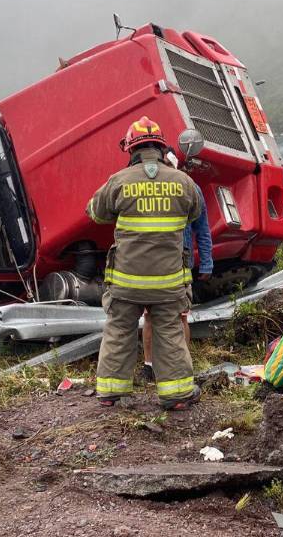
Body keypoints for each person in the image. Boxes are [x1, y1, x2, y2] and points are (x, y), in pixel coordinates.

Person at [87, 116, 203, 411]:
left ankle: (110, 393)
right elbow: (194, 214)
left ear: (131, 149)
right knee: (170, 332)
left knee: (118, 329)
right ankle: (177, 396)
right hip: (168, 282)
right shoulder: (183, 182)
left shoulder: (119, 181)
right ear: (163, 149)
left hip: (126, 281)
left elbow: (96, 214)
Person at [141, 149, 213, 383]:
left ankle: (182, 365)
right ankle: (150, 366)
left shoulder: (190, 188)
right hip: (156, 262)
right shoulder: (152, 187)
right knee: (152, 315)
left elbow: (202, 229)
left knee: (180, 315)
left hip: (177, 263)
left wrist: (206, 262)